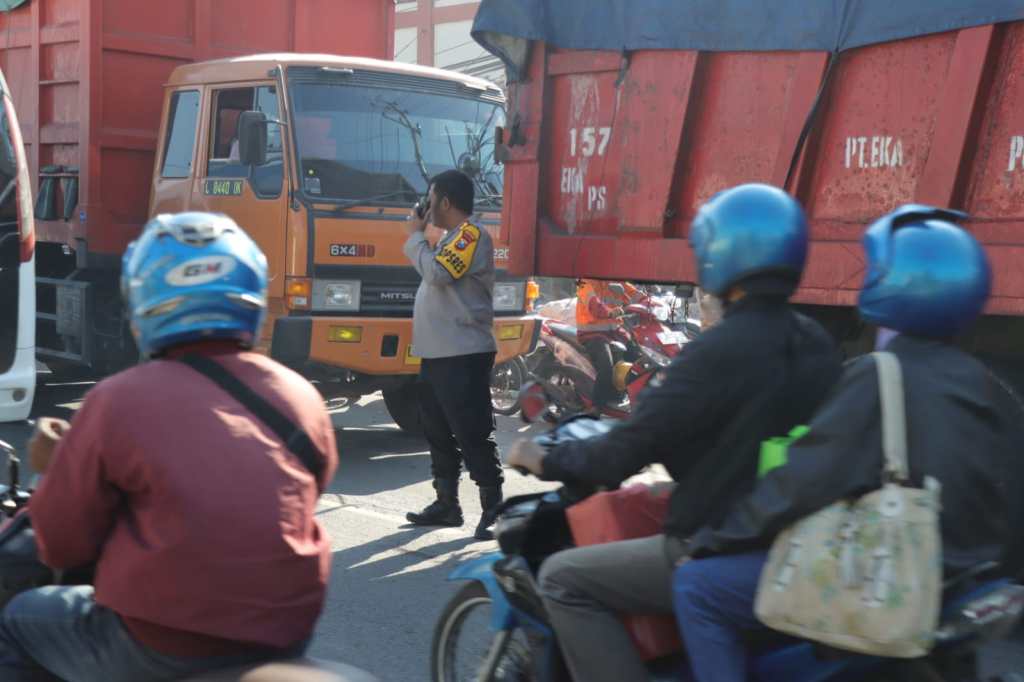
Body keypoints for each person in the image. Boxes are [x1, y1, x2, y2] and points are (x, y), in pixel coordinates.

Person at [506, 183, 844, 682]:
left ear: (719, 255)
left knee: (562, 579)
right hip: (800, 539)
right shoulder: (818, 344)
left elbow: (619, 455)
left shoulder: (715, 351)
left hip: (723, 541)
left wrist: (541, 458)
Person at [672, 205, 1024, 682]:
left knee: (697, 588)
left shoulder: (879, 375)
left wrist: (717, 540)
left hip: (896, 574)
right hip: (968, 574)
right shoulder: (984, 384)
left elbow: (801, 482)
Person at [2, 212, 339, 682]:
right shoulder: (301, 397)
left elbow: (60, 546)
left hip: (160, 643)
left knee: (17, 619)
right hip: (286, 634)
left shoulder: (118, 399)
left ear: (143, 298)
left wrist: (50, 471)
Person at [402, 169, 504, 541]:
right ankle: (447, 503)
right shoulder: (450, 238)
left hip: (463, 354)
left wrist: (415, 238)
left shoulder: (470, 235)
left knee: (472, 432)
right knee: (438, 432)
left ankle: (493, 507)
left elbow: (440, 274)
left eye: (430, 199)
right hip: (436, 354)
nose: (426, 207)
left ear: (445, 201)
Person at [575, 279, 646, 412]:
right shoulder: (583, 282)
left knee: (638, 356)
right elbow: (595, 306)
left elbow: (636, 295)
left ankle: (633, 398)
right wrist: (610, 312)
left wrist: (651, 303)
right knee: (606, 366)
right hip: (592, 334)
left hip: (615, 331)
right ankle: (597, 406)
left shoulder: (616, 281)